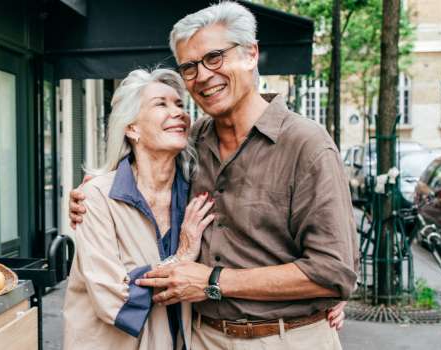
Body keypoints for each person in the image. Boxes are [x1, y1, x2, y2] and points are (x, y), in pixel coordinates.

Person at [68, 2, 357, 349]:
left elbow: (334, 272)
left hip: (286, 337)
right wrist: (95, 189)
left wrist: (213, 281)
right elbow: (143, 164)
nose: (203, 75)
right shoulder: (192, 144)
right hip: (203, 338)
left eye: (215, 57)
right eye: (189, 66)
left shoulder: (306, 145)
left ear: (251, 54)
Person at [63, 68, 212, 350]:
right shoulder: (97, 198)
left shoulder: (195, 192)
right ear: (132, 128)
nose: (178, 112)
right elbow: (113, 297)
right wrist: (180, 258)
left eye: (180, 104)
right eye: (161, 104)